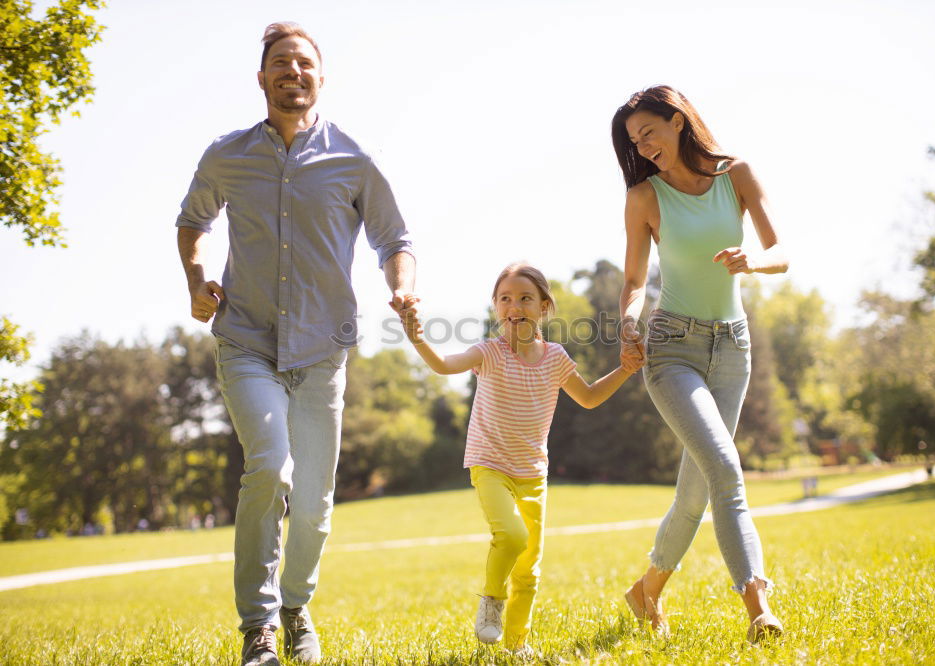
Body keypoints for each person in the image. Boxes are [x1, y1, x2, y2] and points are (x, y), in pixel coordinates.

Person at [175, 22, 415, 666]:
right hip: (247, 338)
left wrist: (401, 288)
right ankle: (258, 626)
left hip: (322, 349)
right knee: (270, 467)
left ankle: (295, 605)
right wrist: (198, 278)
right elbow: (193, 221)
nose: (293, 72)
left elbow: (395, 239)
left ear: (320, 76)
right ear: (262, 78)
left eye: (304, 63)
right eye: (281, 63)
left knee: (313, 502)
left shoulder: (353, 160)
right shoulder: (227, 155)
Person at [610, 85, 788, 642]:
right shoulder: (645, 197)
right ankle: (759, 606)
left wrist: (752, 262)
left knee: (697, 489)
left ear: (679, 122)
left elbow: (780, 251)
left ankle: (645, 592)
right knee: (725, 470)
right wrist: (627, 321)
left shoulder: (736, 175)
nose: (643, 146)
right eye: (635, 141)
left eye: (649, 133)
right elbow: (635, 280)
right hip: (672, 349)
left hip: (733, 346)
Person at [395, 263, 638, 655]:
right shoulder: (489, 352)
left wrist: (626, 370)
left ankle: (516, 647)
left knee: (528, 568)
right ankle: (491, 601)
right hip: (489, 463)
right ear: (496, 308)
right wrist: (418, 338)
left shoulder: (556, 357)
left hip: (532, 473)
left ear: (544, 306)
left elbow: (590, 397)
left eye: (525, 298)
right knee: (511, 535)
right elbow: (442, 365)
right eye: (505, 298)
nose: (515, 305)